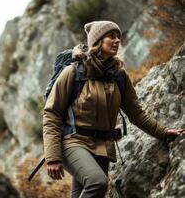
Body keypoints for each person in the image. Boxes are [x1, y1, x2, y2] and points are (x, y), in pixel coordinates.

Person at [42, 20, 184, 198]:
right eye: (111, 36)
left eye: (118, 37)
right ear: (98, 42)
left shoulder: (119, 75)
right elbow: (52, 114)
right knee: (97, 183)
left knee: (85, 192)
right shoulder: (73, 72)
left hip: (102, 147)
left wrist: (163, 132)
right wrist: (53, 156)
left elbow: (136, 113)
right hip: (73, 142)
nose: (117, 41)